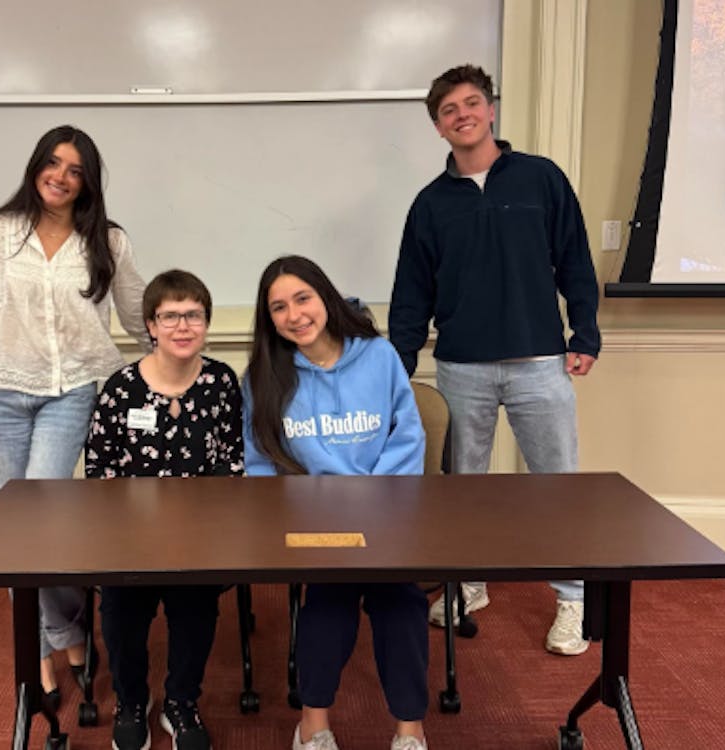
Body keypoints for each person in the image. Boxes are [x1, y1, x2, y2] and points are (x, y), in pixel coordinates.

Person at [388, 64, 602, 656]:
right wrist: (395, 367)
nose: (463, 115)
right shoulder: (430, 205)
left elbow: (576, 262)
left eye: (471, 103)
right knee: (461, 490)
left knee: (556, 486)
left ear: (490, 109)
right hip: (461, 367)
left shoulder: (541, 180)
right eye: (449, 110)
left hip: (540, 361)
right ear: (439, 127)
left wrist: (584, 332)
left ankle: (573, 600)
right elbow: (412, 293)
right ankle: (467, 584)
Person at [0, 125, 151, 709]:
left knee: (45, 516)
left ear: (88, 182)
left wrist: (173, 358)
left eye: (75, 169)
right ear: (36, 166)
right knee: (10, 530)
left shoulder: (106, 240)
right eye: (53, 164)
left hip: (75, 390)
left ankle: (66, 630)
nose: (60, 176)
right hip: (3, 392)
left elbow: (137, 310)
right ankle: (45, 645)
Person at [243, 255, 429, 750]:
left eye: (302, 298)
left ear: (324, 296)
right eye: (279, 307)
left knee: (403, 604)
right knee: (328, 601)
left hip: (386, 511)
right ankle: (313, 725)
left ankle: (410, 730)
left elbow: (407, 436)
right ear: (270, 318)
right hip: (315, 521)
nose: (294, 315)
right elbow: (260, 463)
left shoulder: (379, 355)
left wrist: (375, 499)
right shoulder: (265, 375)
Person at [85, 269, 244, 750]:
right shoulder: (121, 389)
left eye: (193, 315)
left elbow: (232, 463)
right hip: (131, 536)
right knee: (120, 614)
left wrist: (201, 528)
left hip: (199, 536)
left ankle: (180, 702)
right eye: (170, 315)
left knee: (195, 609)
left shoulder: (220, 382)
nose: (182, 326)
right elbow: (100, 470)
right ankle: (133, 700)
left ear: (206, 323)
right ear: (151, 325)